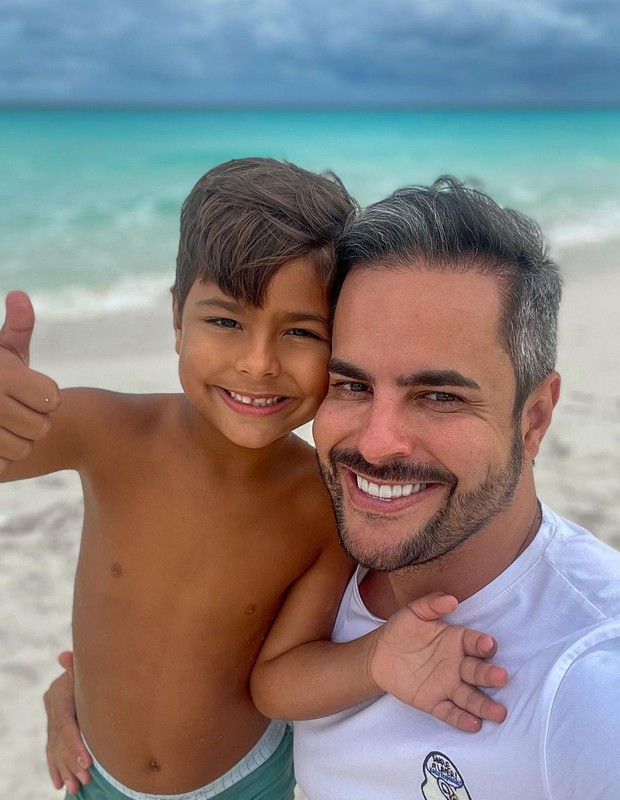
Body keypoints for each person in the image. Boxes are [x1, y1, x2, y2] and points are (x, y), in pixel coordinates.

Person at [0, 161, 507, 800]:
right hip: (93, 774)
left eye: (300, 332)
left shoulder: (324, 504)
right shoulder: (109, 431)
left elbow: (278, 680)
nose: (259, 363)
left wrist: (376, 661)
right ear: (176, 316)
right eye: (225, 321)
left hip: (247, 783)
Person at [291, 176, 620, 799]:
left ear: (534, 418)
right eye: (352, 386)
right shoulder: (299, 571)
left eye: (439, 396)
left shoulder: (589, 684)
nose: (377, 442)